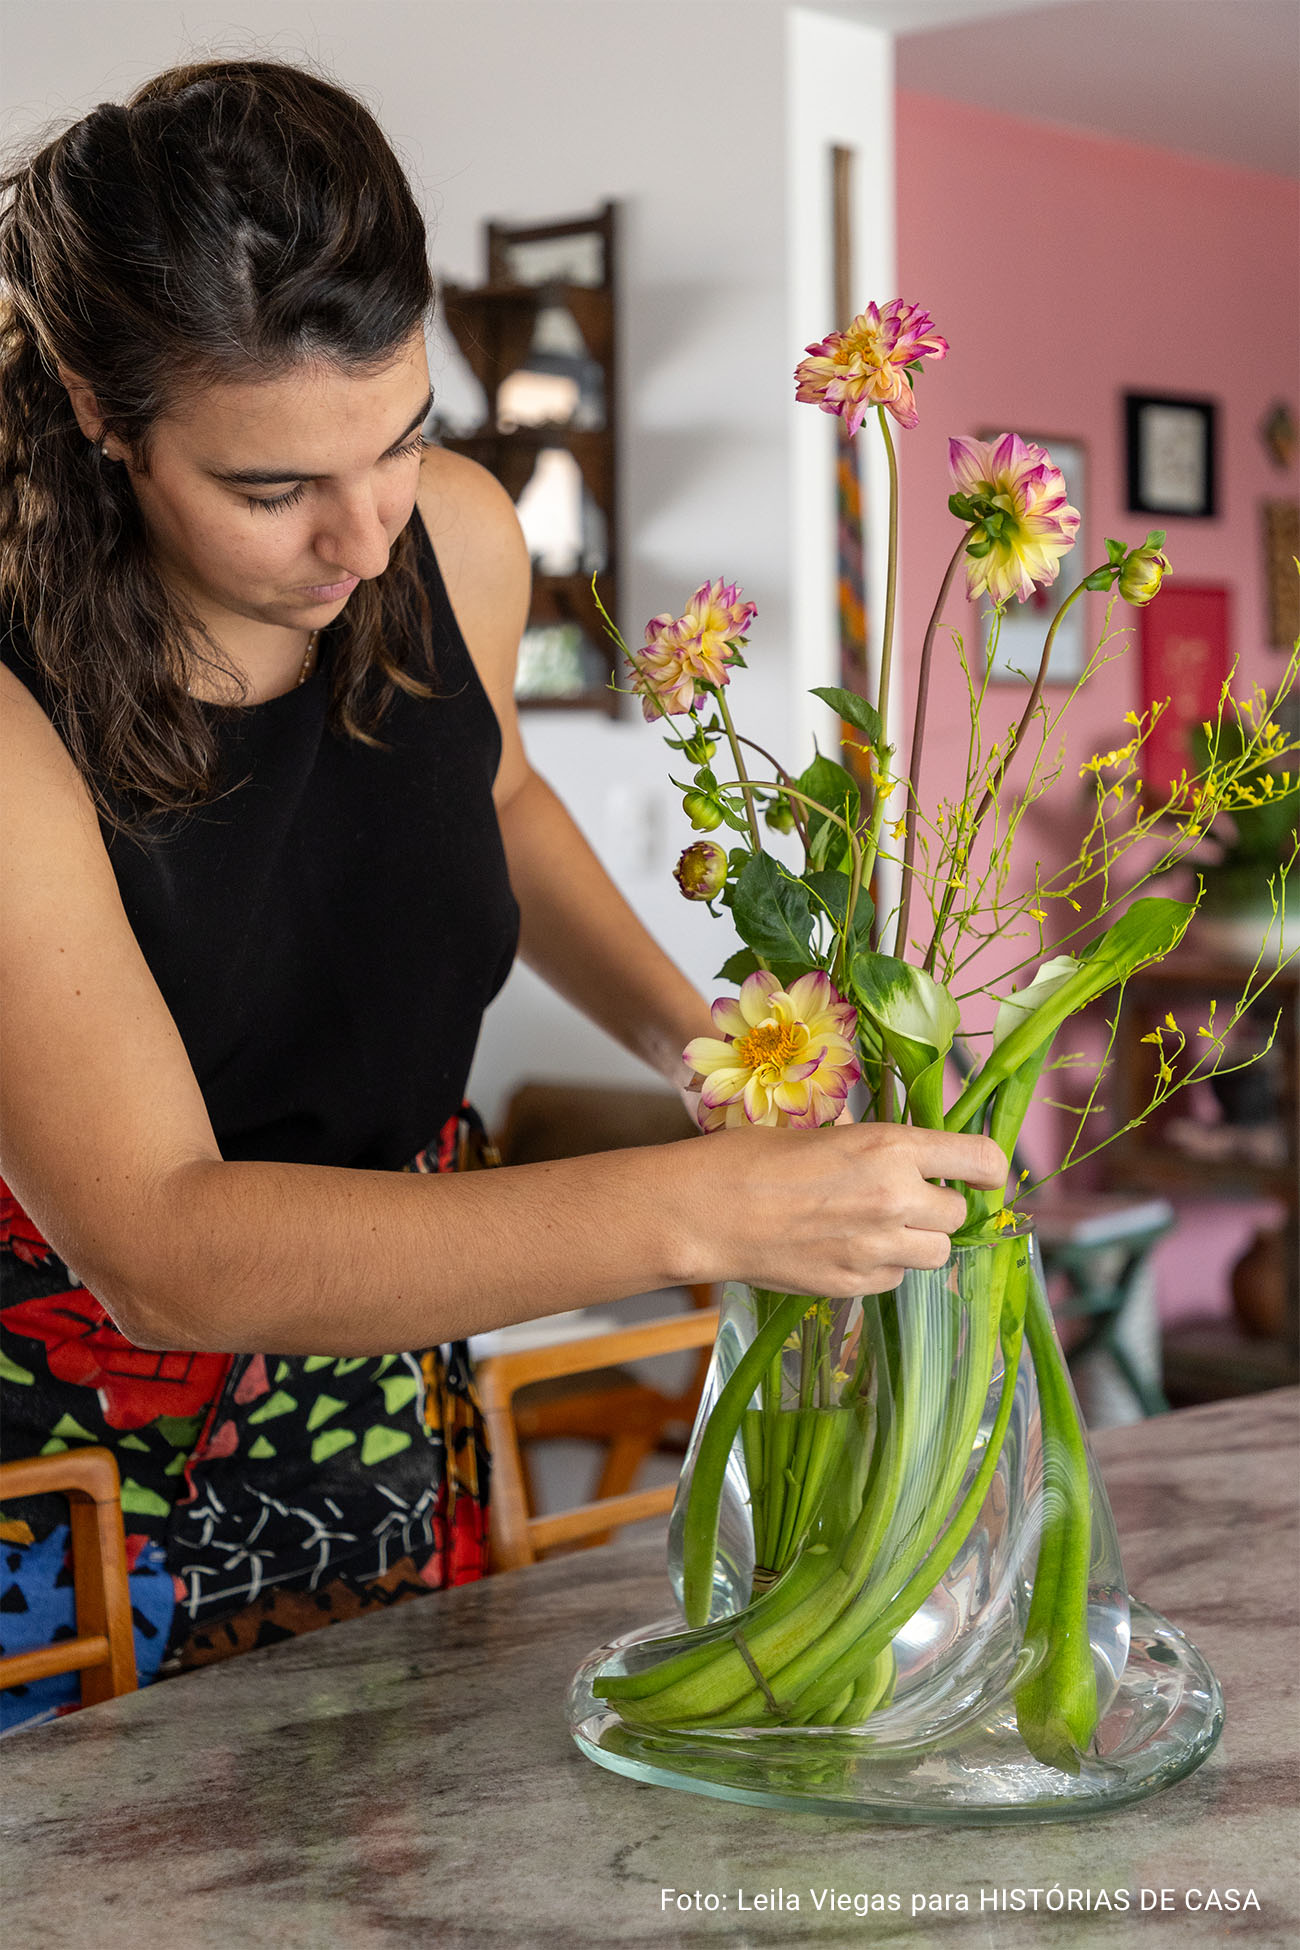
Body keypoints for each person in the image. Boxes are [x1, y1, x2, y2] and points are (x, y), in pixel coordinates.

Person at [0, 58, 1004, 1727]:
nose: (360, 533)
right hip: (61, 1466)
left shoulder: (451, 539)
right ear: (106, 421)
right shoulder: (14, 703)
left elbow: (499, 796)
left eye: (400, 437)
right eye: (270, 490)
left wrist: (716, 1055)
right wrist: (703, 1212)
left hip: (390, 1351)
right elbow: (162, 1244)